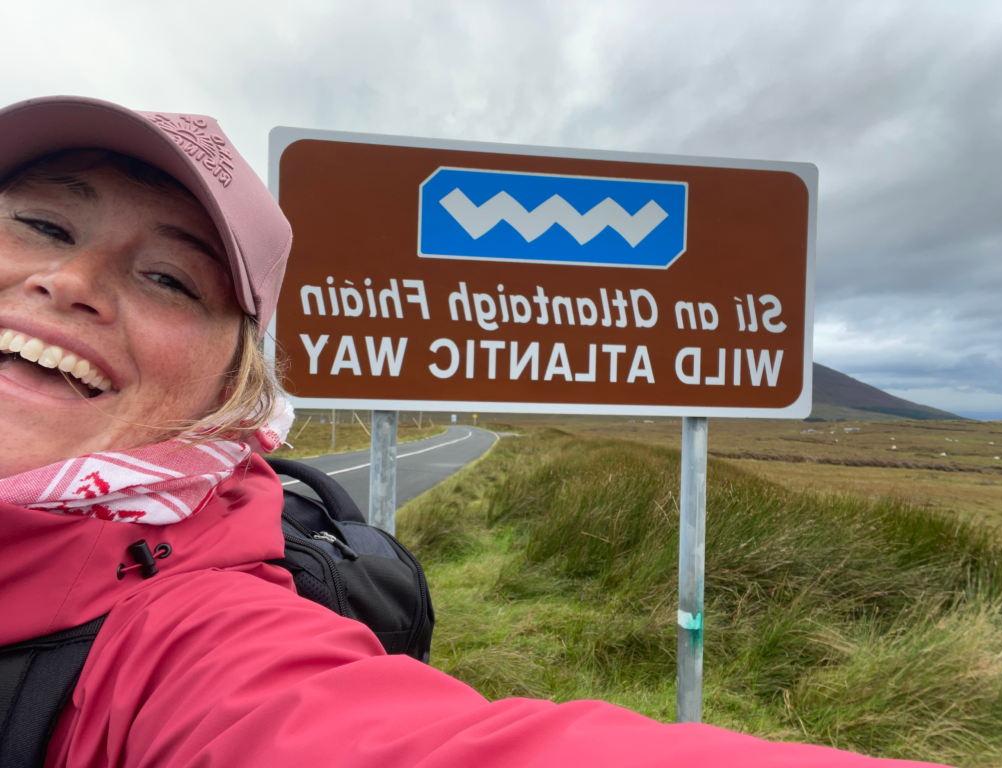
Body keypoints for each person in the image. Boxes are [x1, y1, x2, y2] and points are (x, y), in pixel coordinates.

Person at [0, 96, 944, 768]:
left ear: (232, 383)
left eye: (170, 279)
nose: (70, 279)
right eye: (40, 222)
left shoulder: (184, 647)